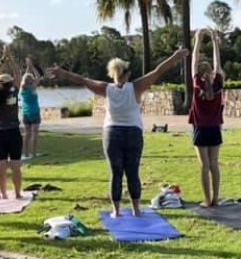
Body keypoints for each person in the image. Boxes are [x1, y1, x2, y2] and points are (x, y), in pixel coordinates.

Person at [49, 48, 187, 217]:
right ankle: (136, 210)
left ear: (112, 74)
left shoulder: (105, 88)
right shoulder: (136, 86)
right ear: (127, 74)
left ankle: (116, 211)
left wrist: (61, 72)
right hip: (133, 134)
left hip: (112, 134)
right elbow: (158, 71)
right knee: (132, 172)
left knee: (116, 174)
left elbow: (82, 80)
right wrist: (175, 57)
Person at [189, 28, 224, 207]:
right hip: (214, 128)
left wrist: (198, 40)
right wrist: (215, 41)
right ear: (211, 72)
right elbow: (218, 63)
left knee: (204, 165)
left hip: (200, 128)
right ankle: (216, 199)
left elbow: (193, 61)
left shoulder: (197, 84)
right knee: (214, 164)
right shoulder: (218, 83)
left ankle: (207, 200)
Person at [0, 47, 25, 200]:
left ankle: (3, 194)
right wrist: (11, 60)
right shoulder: (14, 92)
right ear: (10, 83)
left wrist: (2, 60)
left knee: (1, 165)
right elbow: (19, 75)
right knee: (16, 165)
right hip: (13, 133)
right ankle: (17, 193)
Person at [20, 56, 42, 159]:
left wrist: (28, 67)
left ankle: (26, 153)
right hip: (34, 113)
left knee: (27, 134)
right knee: (34, 135)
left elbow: (25, 77)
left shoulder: (22, 89)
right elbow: (38, 76)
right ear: (31, 81)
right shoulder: (32, 87)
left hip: (25, 114)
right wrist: (32, 66)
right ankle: (33, 153)